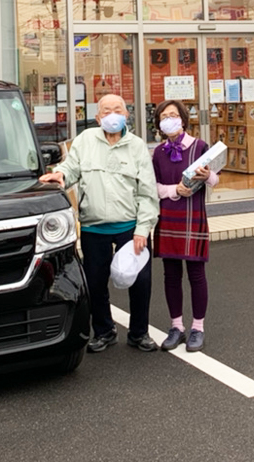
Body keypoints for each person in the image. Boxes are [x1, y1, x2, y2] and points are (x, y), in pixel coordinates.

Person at [39, 94, 160, 353]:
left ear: (126, 115)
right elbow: (71, 168)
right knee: (94, 283)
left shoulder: (137, 146)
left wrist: (143, 229)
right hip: (94, 226)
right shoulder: (85, 140)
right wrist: (59, 175)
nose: (112, 115)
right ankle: (104, 331)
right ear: (97, 117)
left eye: (117, 110)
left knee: (140, 282)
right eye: (106, 111)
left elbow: (148, 191)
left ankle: (139, 332)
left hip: (130, 226)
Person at [151, 100, 219, 352]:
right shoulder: (158, 152)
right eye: (163, 116)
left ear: (182, 118)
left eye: (173, 115)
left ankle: (197, 328)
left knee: (196, 274)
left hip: (193, 216)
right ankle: (176, 327)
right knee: (170, 275)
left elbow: (216, 179)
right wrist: (175, 190)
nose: (169, 119)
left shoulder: (199, 147)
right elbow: (154, 187)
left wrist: (208, 175)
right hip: (168, 216)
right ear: (159, 123)